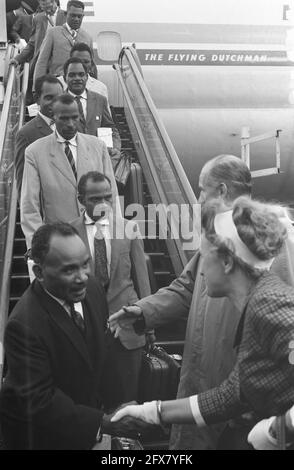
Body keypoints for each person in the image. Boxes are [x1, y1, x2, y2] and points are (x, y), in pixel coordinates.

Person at [110, 154, 294, 450]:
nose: (197, 197)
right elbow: (187, 286)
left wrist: (278, 428)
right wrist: (143, 311)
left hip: (243, 409)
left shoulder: (272, 290)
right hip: (210, 381)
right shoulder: (219, 234)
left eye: (201, 189)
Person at [0, 223, 148, 449]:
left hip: (87, 431)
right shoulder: (23, 325)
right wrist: (103, 424)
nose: (83, 277)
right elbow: (40, 401)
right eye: (69, 270)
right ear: (39, 273)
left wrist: (118, 405)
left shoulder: (93, 290)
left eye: (85, 264)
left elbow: (102, 354)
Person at [71, 171, 151, 402]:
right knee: (88, 398)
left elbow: (141, 279)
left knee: (127, 399)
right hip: (84, 330)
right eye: (95, 199)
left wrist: (149, 323)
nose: (103, 204)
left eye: (107, 198)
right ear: (81, 199)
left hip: (126, 327)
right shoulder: (68, 232)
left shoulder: (128, 228)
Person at [20, 93, 119, 249]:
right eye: (64, 118)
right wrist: (37, 245)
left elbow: (112, 194)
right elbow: (30, 206)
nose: (71, 124)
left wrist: (116, 233)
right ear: (53, 117)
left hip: (98, 237)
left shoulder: (97, 146)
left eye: (75, 117)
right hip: (58, 242)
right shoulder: (35, 152)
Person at [14, 74, 63, 199]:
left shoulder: (73, 126)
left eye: (59, 98)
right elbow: (23, 184)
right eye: (49, 98)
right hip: (45, 211)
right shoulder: (26, 134)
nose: (55, 103)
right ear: (37, 99)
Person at [63, 57, 121, 158]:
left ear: (87, 77)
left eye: (81, 74)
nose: (77, 78)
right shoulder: (58, 102)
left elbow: (109, 127)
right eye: (72, 75)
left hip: (97, 158)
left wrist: (114, 147)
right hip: (70, 158)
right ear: (65, 78)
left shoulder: (100, 100)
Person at [33, 0, 92, 84]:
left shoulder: (87, 38)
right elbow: (42, 62)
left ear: (83, 16)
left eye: (79, 16)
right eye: (73, 15)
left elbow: (92, 66)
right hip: (57, 85)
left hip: (80, 87)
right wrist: (37, 88)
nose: (76, 19)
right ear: (66, 14)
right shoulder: (53, 33)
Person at [10, 1, 66, 74]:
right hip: (42, 66)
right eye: (44, 6)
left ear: (54, 2)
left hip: (62, 65)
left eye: (49, 6)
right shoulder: (38, 19)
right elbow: (32, 44)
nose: (48, 10)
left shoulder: (66, 16)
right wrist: (18, 59)